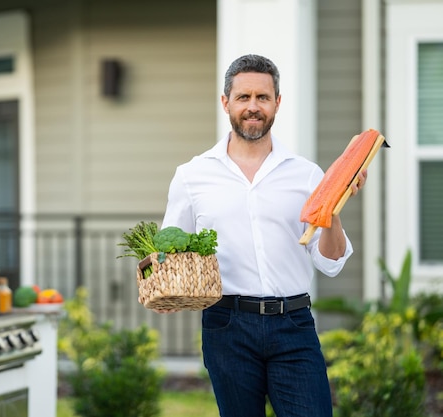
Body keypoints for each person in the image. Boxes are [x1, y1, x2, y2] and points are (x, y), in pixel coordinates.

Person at [157, 54, 367, 417]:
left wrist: (333, 207)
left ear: (277, 103)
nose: (253, 107)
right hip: (227, 326)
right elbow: (172, 249)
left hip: (293, 324)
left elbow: (330, 263)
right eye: (243, 97)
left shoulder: (306, 175)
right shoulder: (192, 176)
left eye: (262, 97)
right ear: (226, 103)